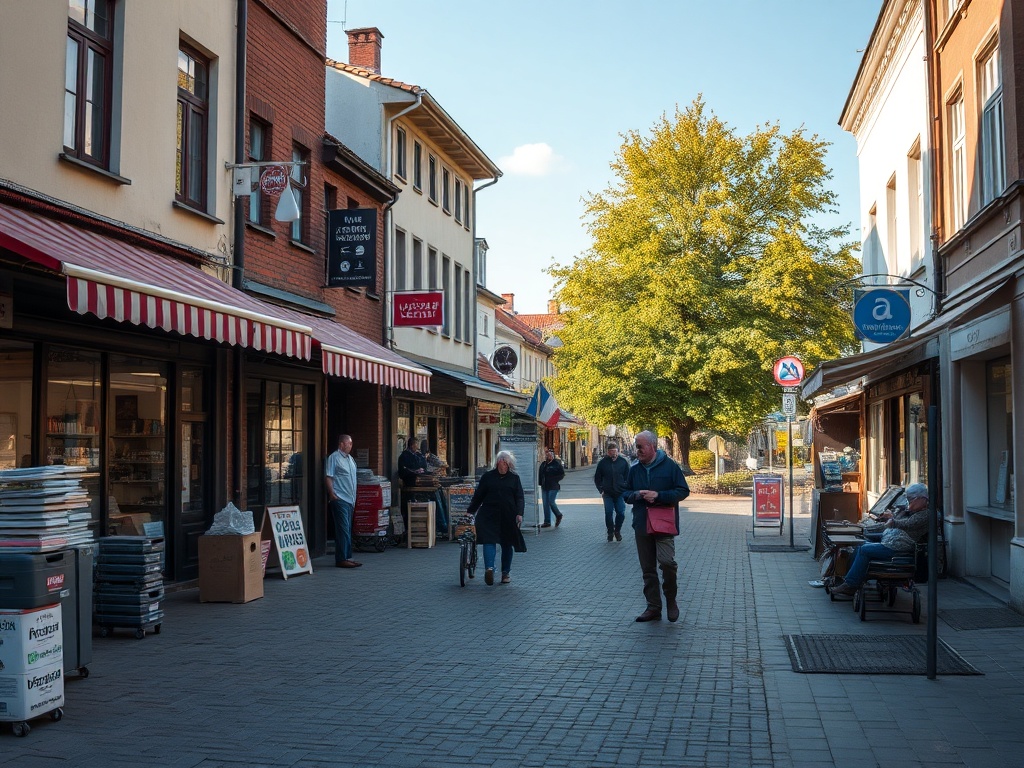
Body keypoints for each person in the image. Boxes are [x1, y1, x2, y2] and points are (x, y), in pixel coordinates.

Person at [623, 431, 690, 623]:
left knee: (667, 562)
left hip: (663, 523)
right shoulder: (634, 469)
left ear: (652, 446)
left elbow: (682, 491)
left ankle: (671, 599)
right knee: (647, 568)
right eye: (637, 446)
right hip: (642, 524)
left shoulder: (670, 467)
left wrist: (658, 496)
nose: (638, 451)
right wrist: (635, 495)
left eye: (640, 446)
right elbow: (624, 492)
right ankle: (653, 607)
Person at [831, 482, 930, 596]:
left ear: (921, 499)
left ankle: (851, 584)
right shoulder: (910, 511)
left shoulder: (926, 514)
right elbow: (891, 524)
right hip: (889, 541)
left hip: (897, 548)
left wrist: (892, 519)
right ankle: (850, 579)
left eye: (911, 499)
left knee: (865, 549)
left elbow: (907, 524)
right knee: (860, 545)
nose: (909, 502)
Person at [467, 450, 526, 585]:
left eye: (508, 463)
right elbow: (479, 496)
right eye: (505, 462)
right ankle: (489, 569)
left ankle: (505, 573)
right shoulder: (488, 477)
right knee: (489, 541)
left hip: (508, 515)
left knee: (507, 544)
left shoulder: (514, 478)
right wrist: (470, 511)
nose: (506, 465)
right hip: (489, 514)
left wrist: (519, 514)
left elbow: (519, 497)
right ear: (499, 462)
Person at [324, 434, 360, 568]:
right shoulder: (334, 457)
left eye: (351, 443)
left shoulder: (350, 459)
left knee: (348, 529)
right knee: (343, 529)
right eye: (348, 443)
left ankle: (347, 556)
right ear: (341, 444)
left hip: (350, 500)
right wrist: (332, 494)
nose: (351, 446)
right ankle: (341, 558)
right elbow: (329, 476)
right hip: (340, 498)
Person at [594, 441, 630, 542]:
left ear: (618, 451)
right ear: (608, 452)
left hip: (619, 492)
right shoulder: (603, 463)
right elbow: (597, 478)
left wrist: (625, 488)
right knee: (608, 512)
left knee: (621, 513)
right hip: (607, 493)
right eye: (611, 452)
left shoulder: (623, 462)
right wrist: (601, 489)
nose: (613, 454)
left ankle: (617, 530)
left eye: (615, 451)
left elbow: (628, 476)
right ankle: (610, 531)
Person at [538, 448, 565, 528]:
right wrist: (540, 483)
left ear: (553, 456)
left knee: (551, 501)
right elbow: (540, 475)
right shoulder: (543, 464)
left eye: (550, 454)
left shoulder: (556, 464)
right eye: (547, 454)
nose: (549, 456)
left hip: (553, 486)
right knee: (545, 504)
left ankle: (558, 515)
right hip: (545, 486)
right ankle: (547, 521)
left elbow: (562, 474)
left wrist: (555, 480)